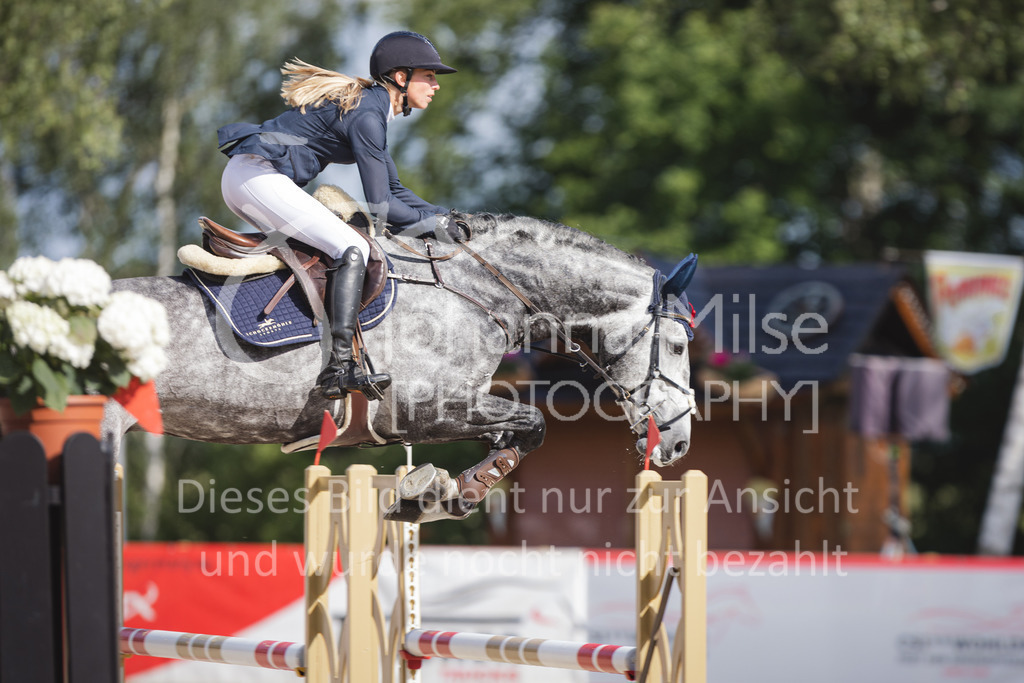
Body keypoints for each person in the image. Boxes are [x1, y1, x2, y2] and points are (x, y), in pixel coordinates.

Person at [217, 31, 456, 401]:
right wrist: (437, 227)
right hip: (257, 177)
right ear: (401, 77)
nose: (436, 85)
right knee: (350, 247)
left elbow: (394, 190)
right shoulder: (367, 114)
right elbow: (383, 207)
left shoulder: (371, 108)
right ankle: (339, 367)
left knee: (333, 248)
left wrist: (447, 217)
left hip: (251, 178)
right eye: (429, 76)